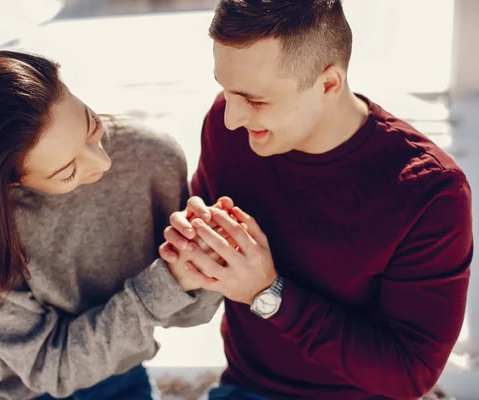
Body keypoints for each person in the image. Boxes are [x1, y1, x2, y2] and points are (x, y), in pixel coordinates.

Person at [159, 1, 473, 399]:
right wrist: (198, 246)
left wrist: (267, 292)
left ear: (328, 84)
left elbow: (411, 373)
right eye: (225, 89)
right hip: (246, 386)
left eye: (255, 101)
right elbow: (203, 254)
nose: (230, 118)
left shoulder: (429, 192)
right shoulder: (230, 126)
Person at [0, 50, 223, 400]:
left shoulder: (151, 156)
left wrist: (203, 264)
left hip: (120, 377)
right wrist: (165, 283)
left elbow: (189, 313)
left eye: (92, 127)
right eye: (68, 171)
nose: (103, 162)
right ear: (11, 182)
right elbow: (48, 368)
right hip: (16, 390)